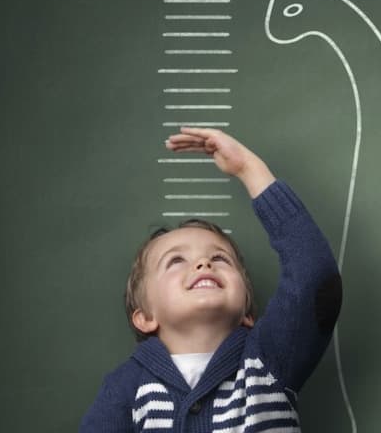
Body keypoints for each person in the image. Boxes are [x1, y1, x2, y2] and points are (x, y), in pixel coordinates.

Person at [80, 127, 342, 432]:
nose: (204, 263)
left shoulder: (270, 358)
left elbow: (315, 278)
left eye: (220, 258)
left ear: (247, 312)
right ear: (145, 317)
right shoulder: (126, 388)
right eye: (176, 260)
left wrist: (248, 169)